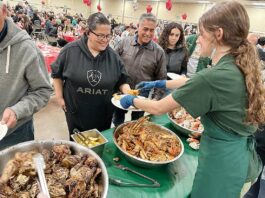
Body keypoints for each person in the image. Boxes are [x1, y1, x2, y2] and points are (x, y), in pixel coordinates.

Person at [120, 1, 265, 197]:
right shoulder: (236, 65)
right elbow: (193, 81)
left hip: (221, 164)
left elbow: (159, 108)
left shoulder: (215, 76)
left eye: (202, 35)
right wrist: (160, 83)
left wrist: (131, 100)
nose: (198, 40)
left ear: (218, 34)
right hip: (238, 156)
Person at [51, 12, 131, 135]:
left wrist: (129, 93)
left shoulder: (113, 57)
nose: (105, 40)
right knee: (77, 148)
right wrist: (59, 98)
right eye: (100, 36)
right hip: (76, 113)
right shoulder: (70, 51)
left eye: (108, 36)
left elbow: (122, 81)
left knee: (99, 145)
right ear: (88, 33)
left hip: (103, 115)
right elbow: (57, 74)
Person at [0, 1, 52, 150]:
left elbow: (42, 91)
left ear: (4, 11)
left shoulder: (27, 49)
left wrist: (18, 110)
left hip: (15, 134)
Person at [113, 13, 167, 126]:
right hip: (120, 92)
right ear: (138, 26)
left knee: (137, 124)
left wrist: (155, 99)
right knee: (117, 120)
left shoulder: (159, 52)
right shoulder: (124, 43)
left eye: (152, 30)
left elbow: (161, 78)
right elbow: (112, 64)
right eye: (145, 29)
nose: (148, 33)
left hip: (142, 97)